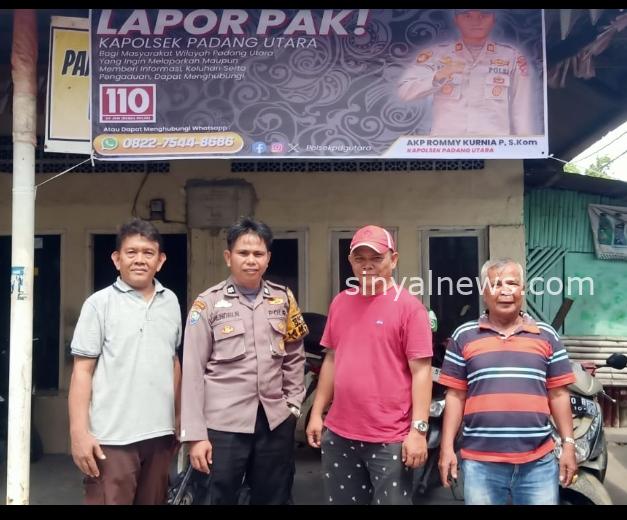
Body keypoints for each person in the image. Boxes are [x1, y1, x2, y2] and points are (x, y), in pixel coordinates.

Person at [180, 217, 308, 505]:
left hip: (275, 421)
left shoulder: (283, 300)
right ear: (228, 257)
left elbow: (294, 355)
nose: (251, 260)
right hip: (223, 426)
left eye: (258, 253)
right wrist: (195, 435)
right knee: (216, 497)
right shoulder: (207, 304)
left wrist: (293, 404)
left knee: (274, 497)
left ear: (268, 258)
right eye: (243, 253)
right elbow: (193, 372)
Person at [306, 225, 433, 505]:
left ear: (393, 260)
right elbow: (332, 359)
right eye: (360, 258)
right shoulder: (341, 302)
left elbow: (422, 372)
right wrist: (316, 413)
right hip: (339, 434)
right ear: (350, 261)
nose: (367, 265)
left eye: (376, 258)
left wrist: (418, 431)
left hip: (390, 438)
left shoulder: (410, 308)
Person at [437, 258, 578, 505]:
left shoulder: (546, 335)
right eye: (496, 284)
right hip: (480, 464)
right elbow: (455, 396)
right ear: (484, 293)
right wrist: (446, 447)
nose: (505, 291)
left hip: (538, 464)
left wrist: (568, 444)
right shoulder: (464, 336)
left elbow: (558, 394)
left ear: (523, 290)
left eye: (512, 283)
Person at [68, 218, 182, 505]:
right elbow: (82, 371)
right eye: (131, 252)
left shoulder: (171, 302)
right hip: (111, 439)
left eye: (148, 253)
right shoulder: (99, 304)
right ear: (117, 259)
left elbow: (172, 361)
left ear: (160, 260)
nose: (140, 259)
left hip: (159, 436)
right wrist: (78, 433)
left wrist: (178, 418)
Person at [398, 9, 538, 136]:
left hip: (494, 145)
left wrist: (526, 146)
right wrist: (439, 75)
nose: (476, 21)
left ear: (493, 19)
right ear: (456, 19)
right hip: (446, 145)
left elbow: (522, 108)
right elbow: (404, 92)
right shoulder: (436, 55)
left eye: (484, 14)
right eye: (467, 15)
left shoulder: (511, 57)